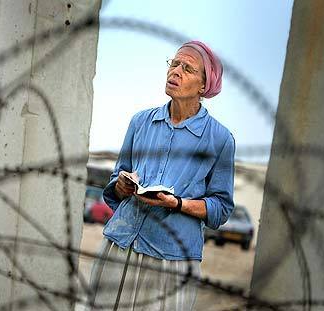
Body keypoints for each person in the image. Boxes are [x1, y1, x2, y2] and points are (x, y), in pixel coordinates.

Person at [86, 40, 235, 310]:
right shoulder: (140, 122)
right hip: (121, 245)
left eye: (187, 68)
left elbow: (221, 208)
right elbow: (116, 182)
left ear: (204, 86)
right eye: (174, 63)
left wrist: (177, 203)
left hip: (172, 258)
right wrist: (122, 186)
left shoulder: (220, 139)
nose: (175, 71)